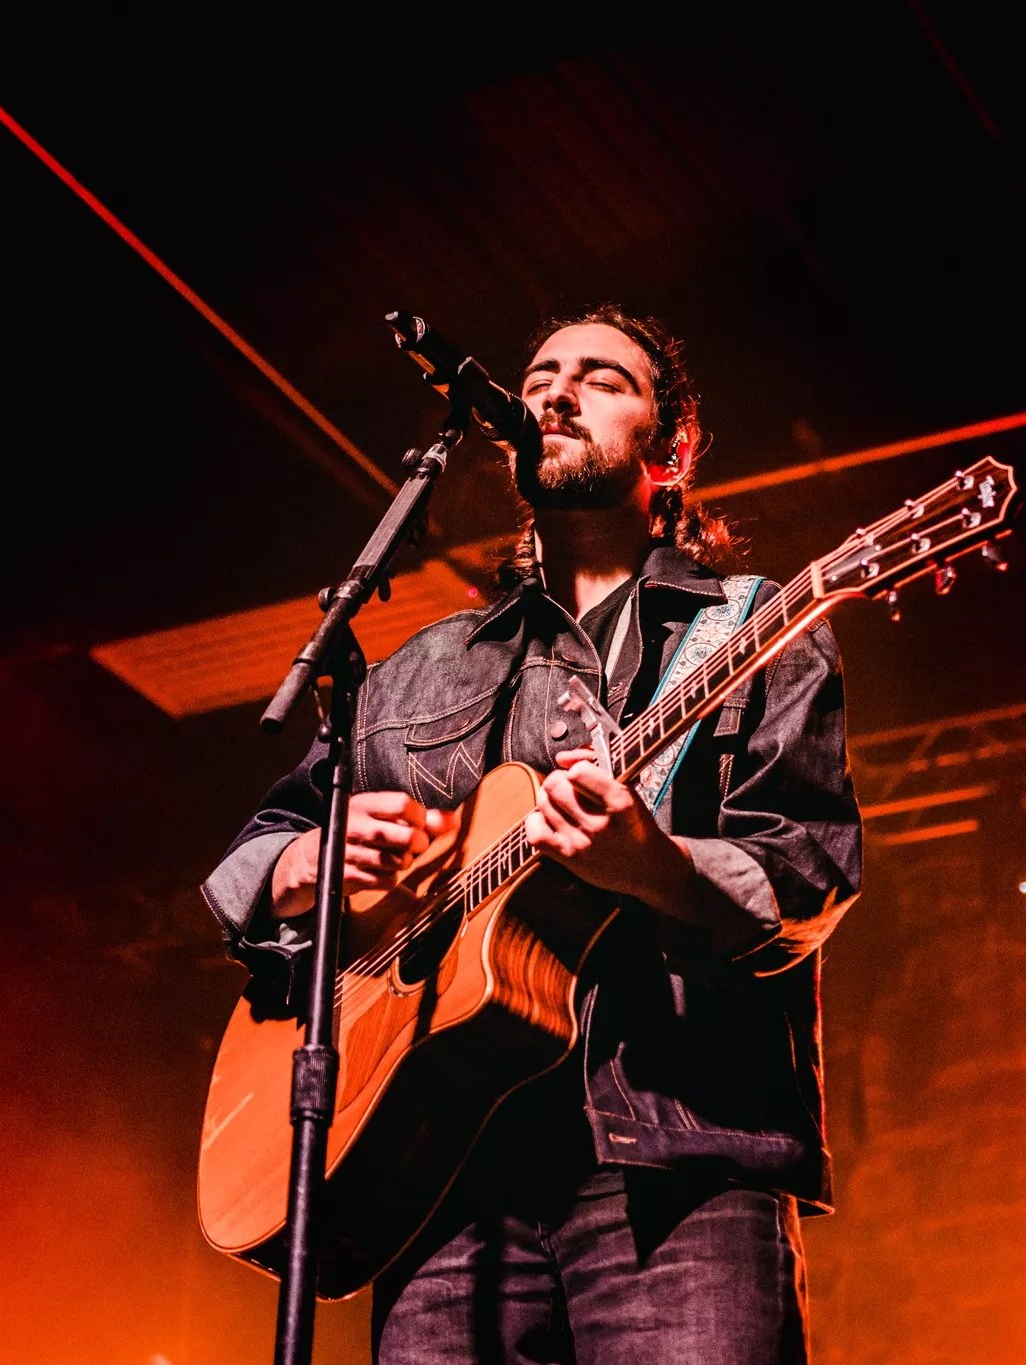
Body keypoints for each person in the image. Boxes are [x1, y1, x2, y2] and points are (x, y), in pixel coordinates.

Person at [201, 305, 862, 1363]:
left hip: (671, 1168)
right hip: (440, 1175)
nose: (556, 390)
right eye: (542, 374)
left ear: (673, 448)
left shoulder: (757, 628)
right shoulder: (415, 669)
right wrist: (304, 863)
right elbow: (251, 859)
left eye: (601, 378)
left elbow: (807, 873)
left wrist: (653, 866)